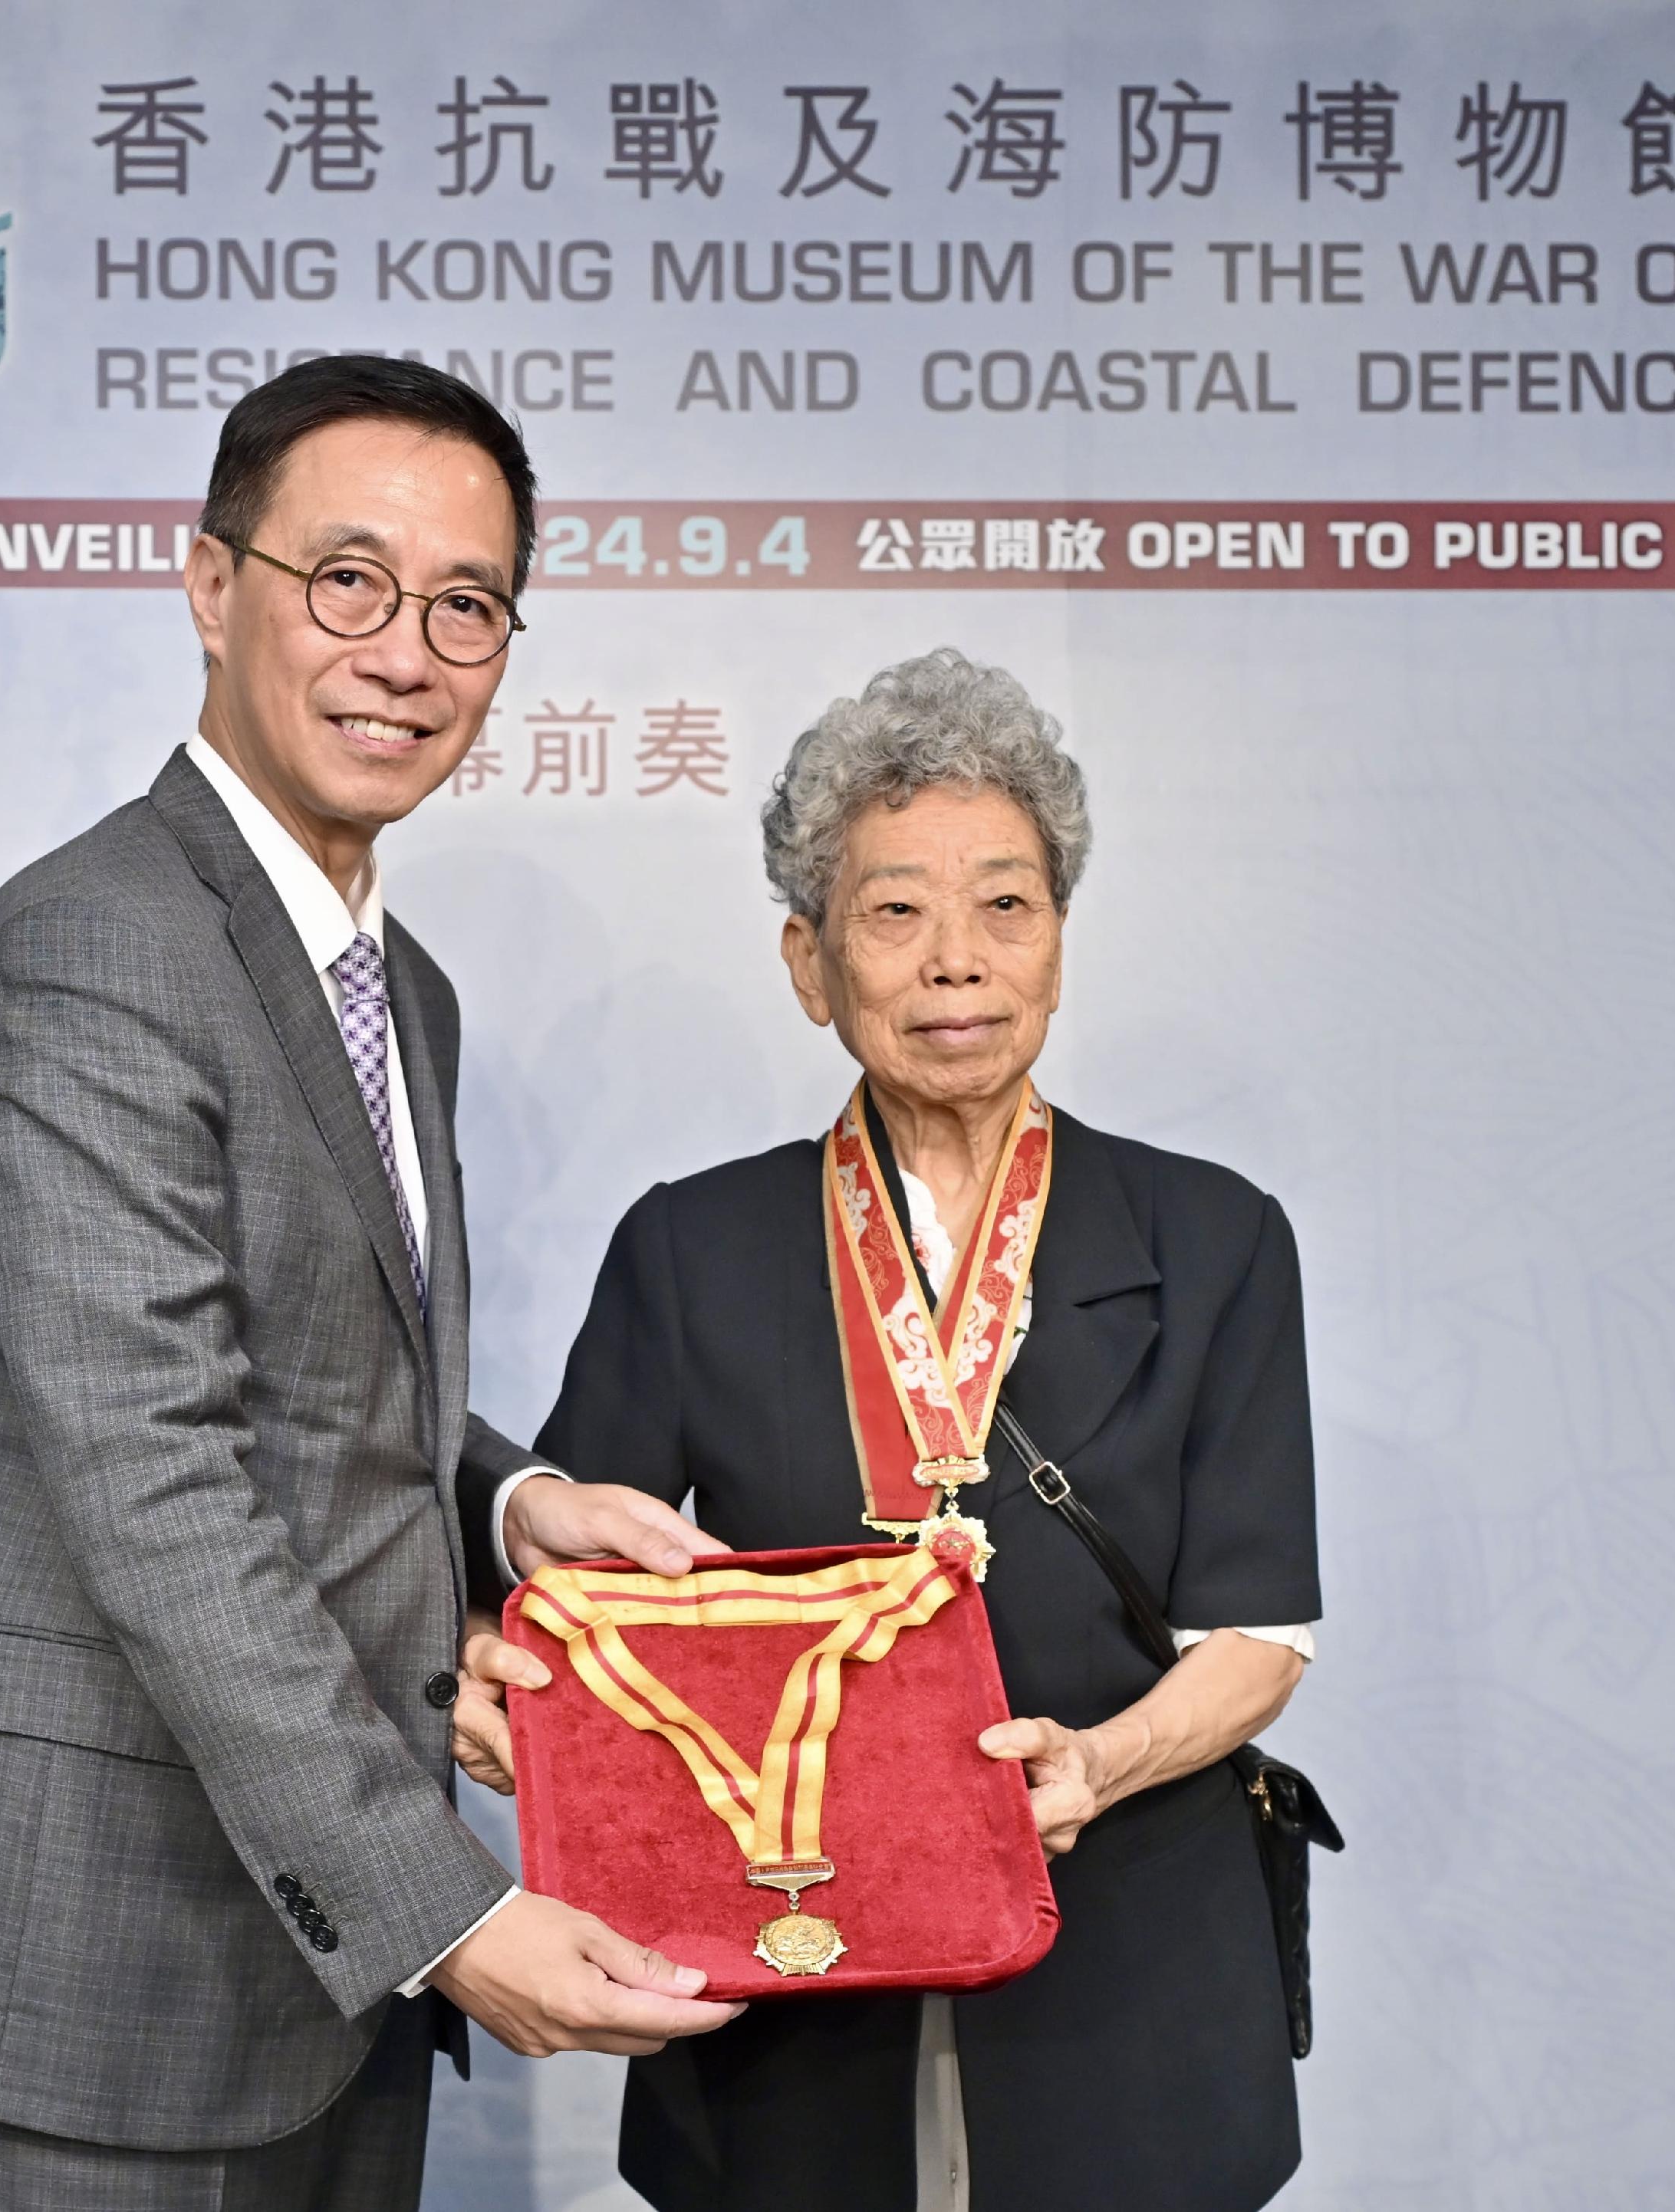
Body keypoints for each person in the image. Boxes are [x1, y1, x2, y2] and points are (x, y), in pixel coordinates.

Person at [0, 354, 739, 2212]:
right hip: (111, 1956)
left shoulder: (395, 992)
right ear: (206, 583)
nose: (401, 653)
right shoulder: (92, 949)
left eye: (464, 606)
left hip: (315, 1969)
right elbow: (158, 1486)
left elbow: (319, 1383)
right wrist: (446, 1913)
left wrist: (520, 1502)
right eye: (345, 581)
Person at [459, 649, 1325, 2212]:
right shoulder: (690, 1246)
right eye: (892, 912)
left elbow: (1259, 1635)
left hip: (1120, 1947)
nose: (954, 962)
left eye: (1005, 906)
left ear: (1059, 946)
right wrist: (515, 1699)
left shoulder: (1211, 1238)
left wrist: (1100, 1765)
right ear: (808, 963)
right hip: (790, 1969)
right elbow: (583, 1613)